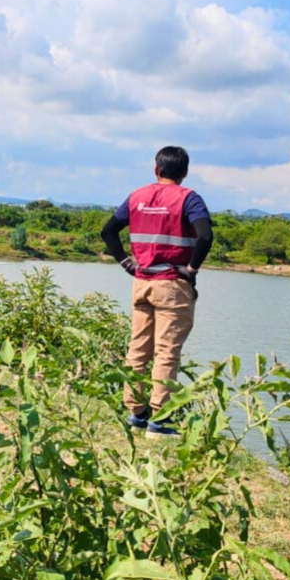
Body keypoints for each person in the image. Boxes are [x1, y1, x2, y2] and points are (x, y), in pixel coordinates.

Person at [101, 146, 213, 437]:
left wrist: (127, 263)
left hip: (141, 283)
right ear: (185, 172)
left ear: (156, 169)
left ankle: (136, 413)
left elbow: (108, 231)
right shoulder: (189, 198)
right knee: (166, 353)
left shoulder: (137, 196)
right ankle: (159, 421)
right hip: (172, 286)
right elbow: (205, 236)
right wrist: (192, 270)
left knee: (138, 349)